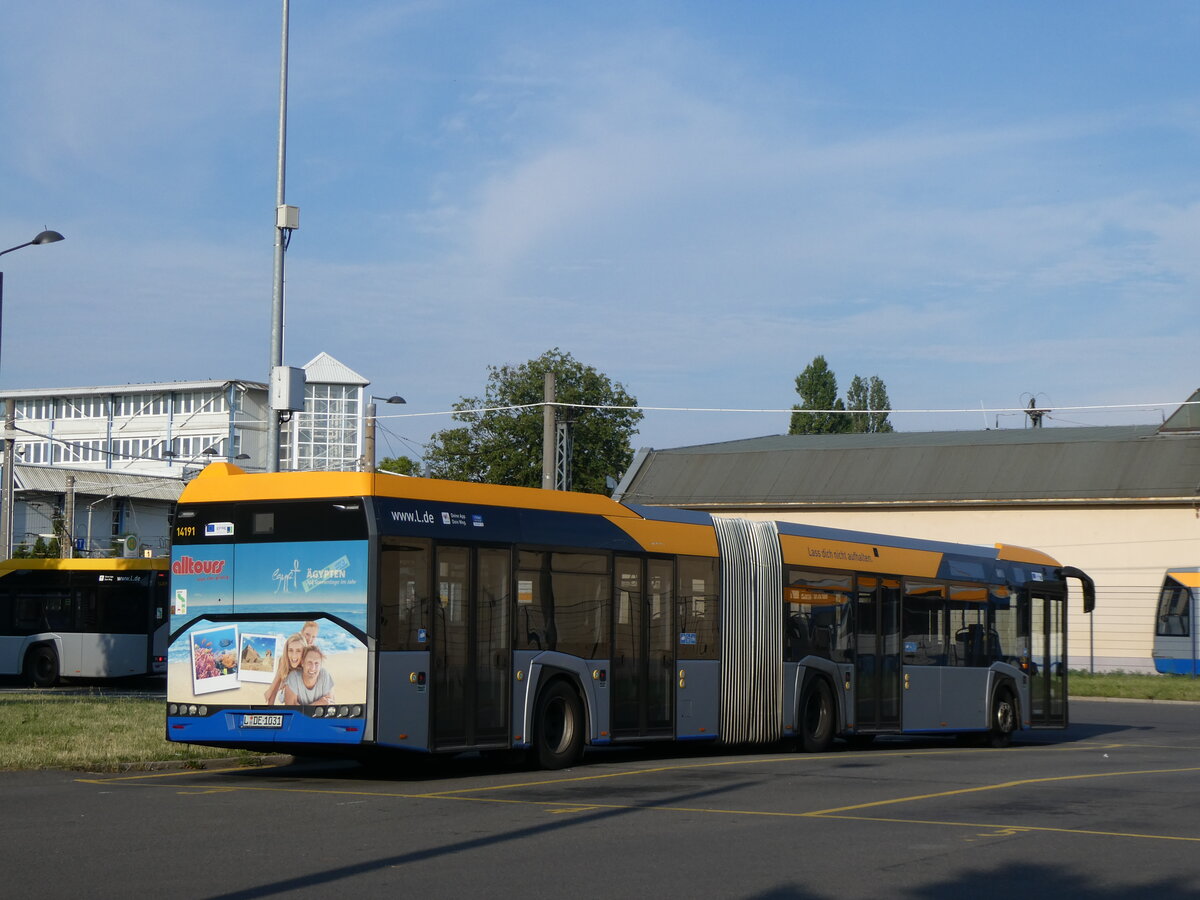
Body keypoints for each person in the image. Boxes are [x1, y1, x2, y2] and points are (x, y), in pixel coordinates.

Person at [264, 633, 306, 705]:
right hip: (288, 694)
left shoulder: (307, 664)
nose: (294, 656)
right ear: (286, 651)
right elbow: (275, 686)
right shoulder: (284, 660)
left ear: (304, 652)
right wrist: (269, 710)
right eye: (290, 650)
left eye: (298, 651)